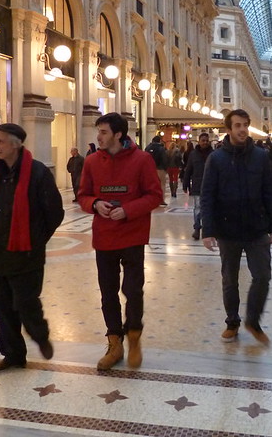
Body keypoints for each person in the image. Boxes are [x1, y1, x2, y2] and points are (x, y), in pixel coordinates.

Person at [78, 112, 162, 370]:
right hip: (104, 236)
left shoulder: (142, 159)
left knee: (133, 290)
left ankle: (134, 336)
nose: (98, 136)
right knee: (108, 291)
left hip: (132, 234)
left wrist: (128, 210)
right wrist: (95, 203)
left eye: (103, 132)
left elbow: (155, 195)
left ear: (118, 134)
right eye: (98, 131)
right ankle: (114, 342)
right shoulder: (92, 161)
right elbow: (82, 195)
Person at [0, 123, 65, 373]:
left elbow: (55, 212)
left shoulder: (37, 173)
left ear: (16, 145)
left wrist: (35, 240)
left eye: (1, 141)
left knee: (26, 304)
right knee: (3, 310)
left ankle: (40, 335)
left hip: (25, 254)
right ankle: (13, 355)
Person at [201, 109, 272, 344]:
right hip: (228, 229)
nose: (242, 129)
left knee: (263, 275)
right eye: (237, 125)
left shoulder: (260, 156)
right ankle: (232, 322)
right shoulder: (216, 159)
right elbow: (207, 196)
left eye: (245, 124)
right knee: (229, 278)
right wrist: (208, 230)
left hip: (256, 228)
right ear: (229, 129)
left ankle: (252, 320)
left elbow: (269, 192)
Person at [182, 132, 212, 240]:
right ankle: (197, 228)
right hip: (197, 185)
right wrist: (185, 184)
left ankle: (208, 230)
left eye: (206, 141)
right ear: (199, 141)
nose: (205, 142)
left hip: (211, 186)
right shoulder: (193, 154)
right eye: (203, 140)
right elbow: (188, 169)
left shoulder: (213, 154)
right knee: (198, 208)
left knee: (209, 208)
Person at [144, 135, 168, 205]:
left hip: (149, 169)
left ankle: (150, 199)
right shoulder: (161, 148)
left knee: (150, 184)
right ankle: (161, 200)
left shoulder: (147, 147)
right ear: (159, 140)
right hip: (160, 168)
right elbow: (164, 159)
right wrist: (165, 168)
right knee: (162, 184)